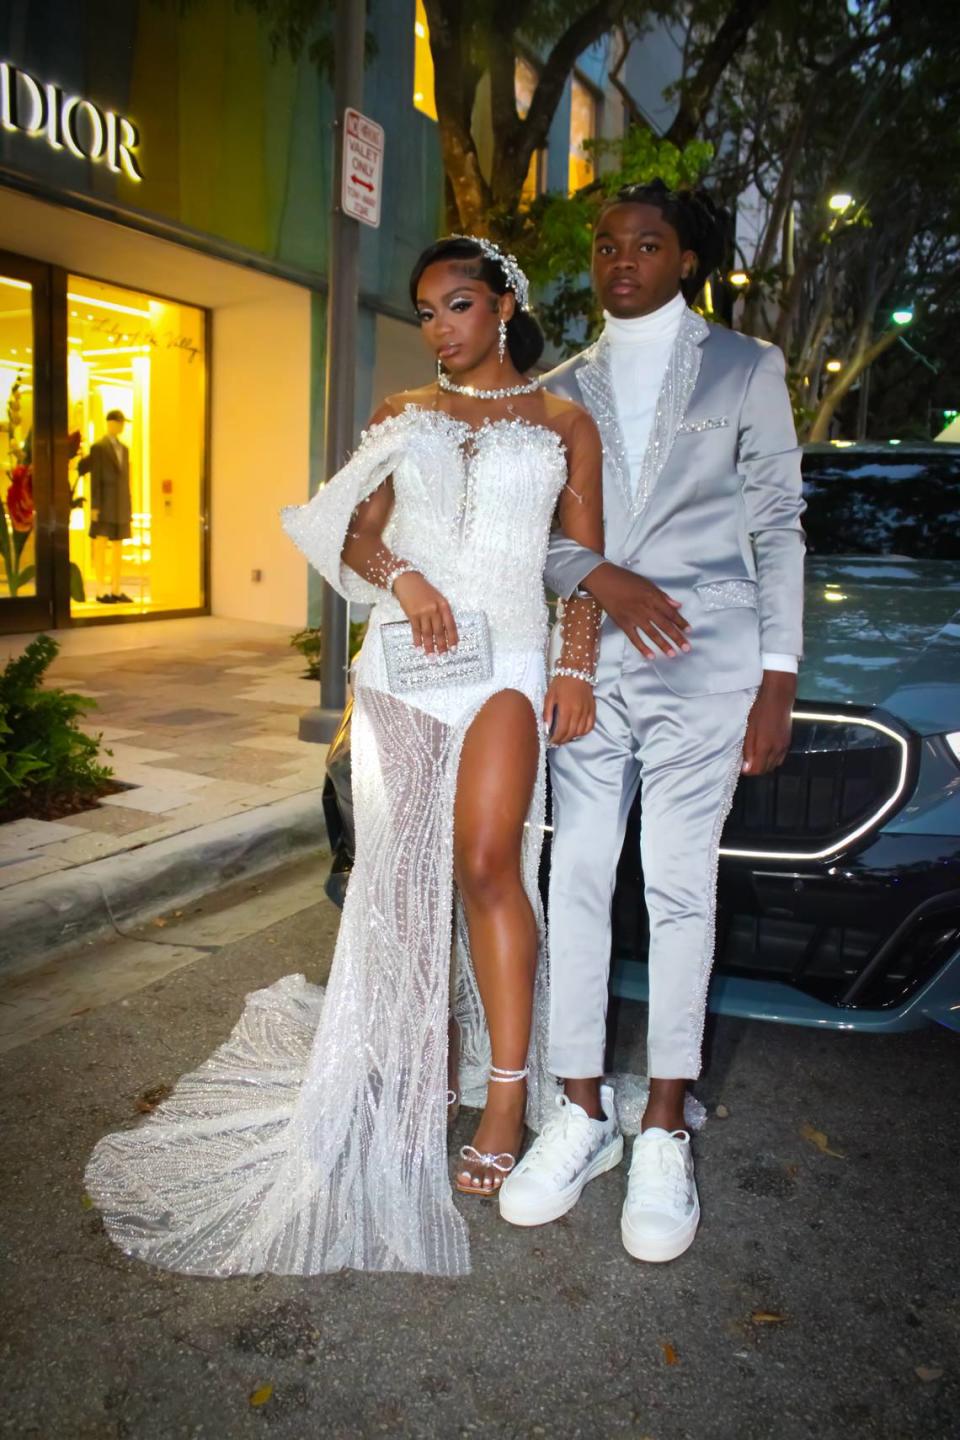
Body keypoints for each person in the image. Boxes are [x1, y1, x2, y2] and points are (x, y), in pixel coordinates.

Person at [84, 236, 604, 1278]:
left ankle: (507, 1094)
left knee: (489, 863)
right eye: (425, 311)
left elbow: (582, 566)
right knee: (395, 883)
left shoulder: (563, 422)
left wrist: (577, 669)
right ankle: (412, 1073)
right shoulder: (401, 415)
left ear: (505, 306)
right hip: (404, 667)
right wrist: (405, 578)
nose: (439, 327)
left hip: (507, 657)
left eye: (457, 305)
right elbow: (350, 533)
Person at [498, 181, 805, 1262]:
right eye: (607, 245)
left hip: (710, 662)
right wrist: (606, 579)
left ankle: (665, 1122)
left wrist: (778, 676)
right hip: (592, 665)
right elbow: (531, 536)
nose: (622, 260)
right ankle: (580, 1108)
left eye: (647, 243)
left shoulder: (745, 368)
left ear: (685, 259)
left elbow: (776, 521)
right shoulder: (560, 385)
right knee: (576, 872)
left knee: (679, 884)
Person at [78, 409, 133, 604]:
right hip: (105, 503)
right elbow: (96, 478)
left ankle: (116, 588)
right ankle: (101, 590)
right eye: (119, 422)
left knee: (118, 547)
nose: (122, 426)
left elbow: (126, 480)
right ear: (111, 423)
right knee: (100, 545)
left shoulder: (125, 450)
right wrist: (95, 506)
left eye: (123, 423)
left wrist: (129, 507)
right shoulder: (99, 448)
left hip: (121, 505)